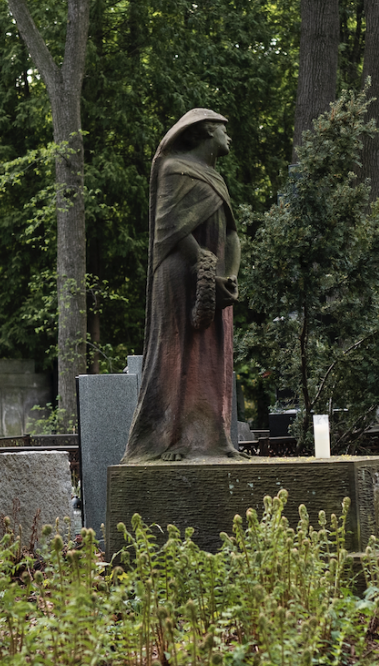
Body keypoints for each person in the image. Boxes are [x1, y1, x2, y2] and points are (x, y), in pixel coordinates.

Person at [123, 109, 247, 462]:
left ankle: (216, 439)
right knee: (178, 353)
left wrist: (229, 275)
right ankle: (170, 438)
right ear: (207, 132)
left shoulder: (216, 178)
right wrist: (201, 262)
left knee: (214, 358)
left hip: (215, 282)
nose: (228, 136)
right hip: (181, 274)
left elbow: (232, 233)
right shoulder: (173, 169)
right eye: (223, 130)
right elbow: (172, 227)